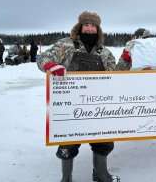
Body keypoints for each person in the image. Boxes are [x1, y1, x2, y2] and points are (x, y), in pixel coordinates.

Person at [37, 11, 120, 182]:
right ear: (80, 26)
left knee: (103, 141)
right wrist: (51, 65)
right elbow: (43, 57)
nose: (89, 28)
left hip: (98, 106)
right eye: (86, 24)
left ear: (98, 29)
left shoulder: (105, 52)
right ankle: (66, 178)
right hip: (70, 107)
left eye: (93, 26)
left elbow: (116, 76)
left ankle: (101, 174)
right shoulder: (66, 45)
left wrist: (126, 60)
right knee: (68, 143)